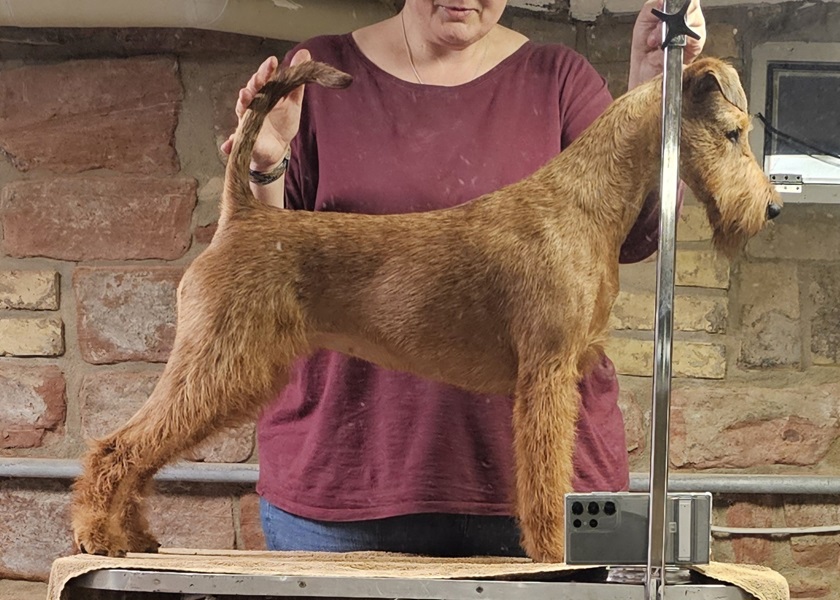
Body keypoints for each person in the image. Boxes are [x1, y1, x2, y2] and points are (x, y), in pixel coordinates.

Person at [221, 0, 706, 556]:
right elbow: (273, 254)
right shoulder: (320, 70)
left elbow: (640, 234)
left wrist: (652, 87)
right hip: (345, 482)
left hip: (553, 489)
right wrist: (264, 164)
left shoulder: (559, 79)